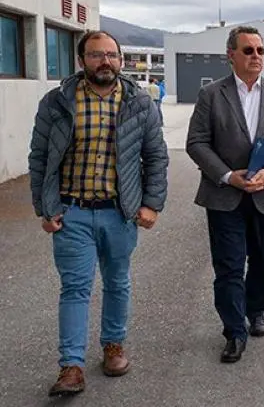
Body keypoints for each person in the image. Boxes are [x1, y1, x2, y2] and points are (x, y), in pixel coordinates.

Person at [28, 30, 168, 396]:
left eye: (111, 55)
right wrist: (45, 208)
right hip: (72, 211)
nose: (105, 61)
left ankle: (113, 345)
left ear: (121, 60)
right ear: (81, 61)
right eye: (96, 55)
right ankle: (71, 366)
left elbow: (155, 156)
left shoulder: (139, 103)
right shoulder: (57, 101)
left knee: (117, 281)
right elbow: (40, 158)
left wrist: (151, 203)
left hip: (119, 213)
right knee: (75, 288)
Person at [185, 26, 264, 363]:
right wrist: (227, 176)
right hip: (225, 196)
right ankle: (234, 330)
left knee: (262, 261)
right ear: (231, 55)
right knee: (229, 267)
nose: (256, 56)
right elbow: (196, 142)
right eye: (249, 50)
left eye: (261, 51)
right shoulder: (212, 95)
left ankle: (256, 310)